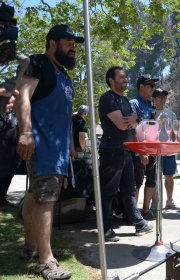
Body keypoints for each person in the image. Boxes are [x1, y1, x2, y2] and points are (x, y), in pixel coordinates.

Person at [15, 24, 84, 279]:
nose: (73, 47)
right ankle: (46, 260)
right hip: (41, 144)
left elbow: (64, 115)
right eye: (68, 41)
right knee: (46, 199)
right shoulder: (38, 63)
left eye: (74, 43)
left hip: (58, 148)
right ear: (52, 43)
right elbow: (23, 96)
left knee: (35, 195)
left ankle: (30, 247)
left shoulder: (64, 75)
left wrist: (69, 145)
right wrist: (25, 132)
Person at [98, 66, 153, 241]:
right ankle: (105, 229)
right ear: (111, 80)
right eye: (121, 77)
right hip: (111, 150)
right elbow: (122, 124)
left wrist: (133, 120)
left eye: (126, 77)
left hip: (126, 150)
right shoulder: (108, 98)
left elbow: (133, 122)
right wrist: (132, 119)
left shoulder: (125, 101)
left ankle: (138, 223)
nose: (125, 80)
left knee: (129, 189)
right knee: (108, 191)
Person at [130, 74, 159, 220]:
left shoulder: (150, 104)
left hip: (151, 149)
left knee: (152, 180)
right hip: (138, 150)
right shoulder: (133, 103)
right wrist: (141, 152)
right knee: (137, 182)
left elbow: (152, 127)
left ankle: (146, 210)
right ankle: (134, 214)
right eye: (150, 86)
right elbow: (133, 129)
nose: (153, 89)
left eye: (154, 86)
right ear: (141, 86)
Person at [152, 88, 180, 210]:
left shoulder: (171, 113)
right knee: (153, 177)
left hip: (168, 150)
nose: (162, 99)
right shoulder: (150, 112)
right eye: (159, 96)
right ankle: (155, 202)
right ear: (153, 99)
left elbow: (175, 133)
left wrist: (175, 145)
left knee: (169, 176)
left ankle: (169, 201)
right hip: (153, 150)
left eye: (164, 97)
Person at [0, 111, 23, 211]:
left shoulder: (15, 111)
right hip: (3, 142)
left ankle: (2, 197)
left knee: (9, 172)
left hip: (12, 145)